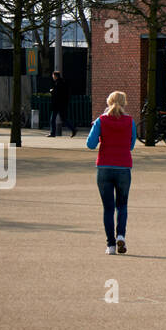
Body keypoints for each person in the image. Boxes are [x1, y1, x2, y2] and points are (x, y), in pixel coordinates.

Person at [86, 91, 136, 255]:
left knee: (108, 208)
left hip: (104, 167)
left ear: (108, 102)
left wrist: (99, 134)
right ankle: (120, 235)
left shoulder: (101, 121)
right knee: (122, 205)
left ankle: (111, 245)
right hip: (123, 167)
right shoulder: (130, 121)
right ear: (124, 103)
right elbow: (131, 145)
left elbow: (90, 144)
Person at [48, 70, 76, 138]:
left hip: (58, 104)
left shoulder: (58, 83)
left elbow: (57, 93)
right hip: (62, 104)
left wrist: (52, 91)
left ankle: (53, 133)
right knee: (63, 119)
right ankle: (73, 129)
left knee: (53, 119)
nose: (52, 77)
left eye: (53, 76)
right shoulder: (62, 82)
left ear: (55, 76)